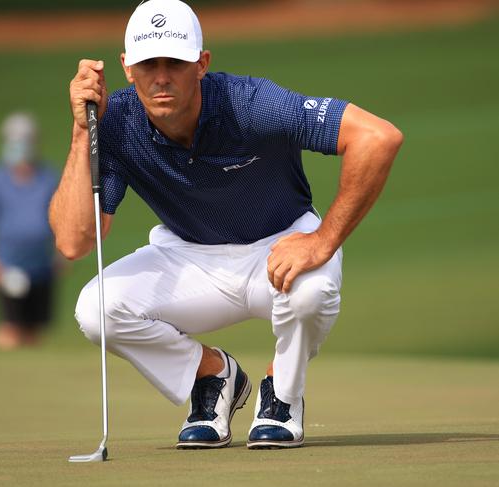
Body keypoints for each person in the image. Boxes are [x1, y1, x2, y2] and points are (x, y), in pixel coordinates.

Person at [50, 0, 402, 449]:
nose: (161, 76)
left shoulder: (251, 104)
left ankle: (283, 394)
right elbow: (75, 242)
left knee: (313, 292)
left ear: (201, 63)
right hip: (188, 257)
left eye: (175, 63)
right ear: (126, 67)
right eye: (147, 63)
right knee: (96, 309)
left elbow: (377, 137)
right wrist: (84, 131)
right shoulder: (115, 122)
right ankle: (214, 377)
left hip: (280, 247)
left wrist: (323, 240)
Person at [0, 112, 60, 350]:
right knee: (10, 327)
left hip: (43, 267)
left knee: (35, 329)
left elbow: (63, 219)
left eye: (26, 139)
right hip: (8, 267)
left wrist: (62, 256)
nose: (21, 145)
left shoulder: (48, 178)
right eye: (15, 139)